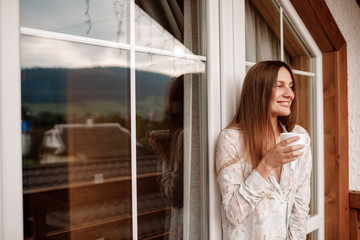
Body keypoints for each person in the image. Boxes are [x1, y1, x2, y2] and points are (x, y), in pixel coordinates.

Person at [216, 61, 312, 240]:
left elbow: (300, 207)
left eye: (291, 87)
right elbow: (233, 213)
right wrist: (266, 165)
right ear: (259, 91)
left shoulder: (298, 137)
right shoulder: (231, 140)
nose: (289, 94)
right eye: (279, 86)